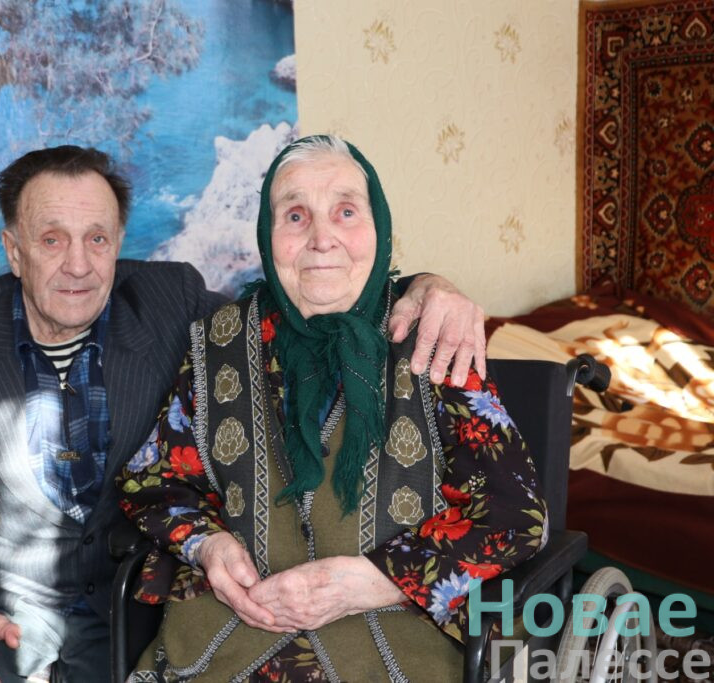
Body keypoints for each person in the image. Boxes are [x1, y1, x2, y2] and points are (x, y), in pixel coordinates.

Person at [0, 144, 489, 683]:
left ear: (119, 242)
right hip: (5, 602)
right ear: (13, 250)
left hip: (125, 599)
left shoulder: (170, 300)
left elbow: (308, 292)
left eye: (97, 239)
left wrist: (428, 285)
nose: (78, 264)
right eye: (51, 240)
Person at [117, 136, 548, 681]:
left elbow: (515, 516)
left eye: (345, 212)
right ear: (268, 235)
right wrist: (207, 544)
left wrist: (380, 579)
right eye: (295, 216)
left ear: (378, 227)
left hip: (397, 644)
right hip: (229, 637)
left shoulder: (433, 335)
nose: (322, 239)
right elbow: (154, 481)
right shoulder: (221, 341)